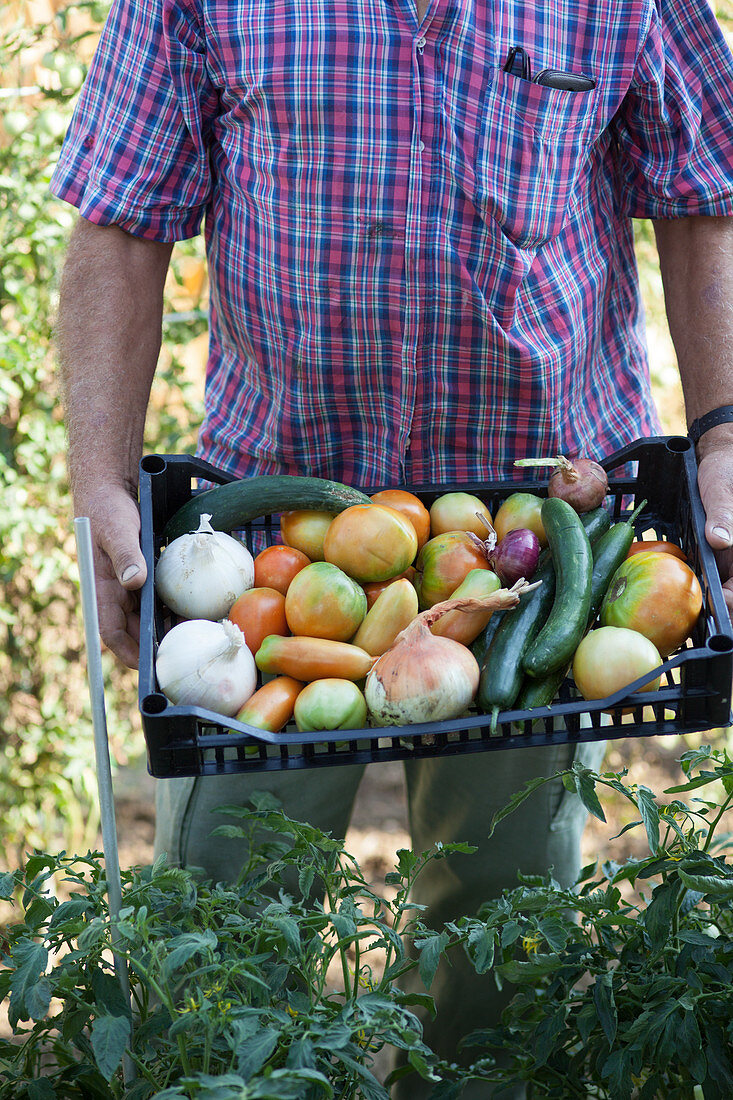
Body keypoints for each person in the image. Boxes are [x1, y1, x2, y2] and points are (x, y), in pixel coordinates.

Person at [51, 0, 733, 1093]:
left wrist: (721, 441)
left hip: (527, 559)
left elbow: (707, 201)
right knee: (225, 925)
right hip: (266, 559)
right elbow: (122, 226)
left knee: (502, 937)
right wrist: (97, 488)